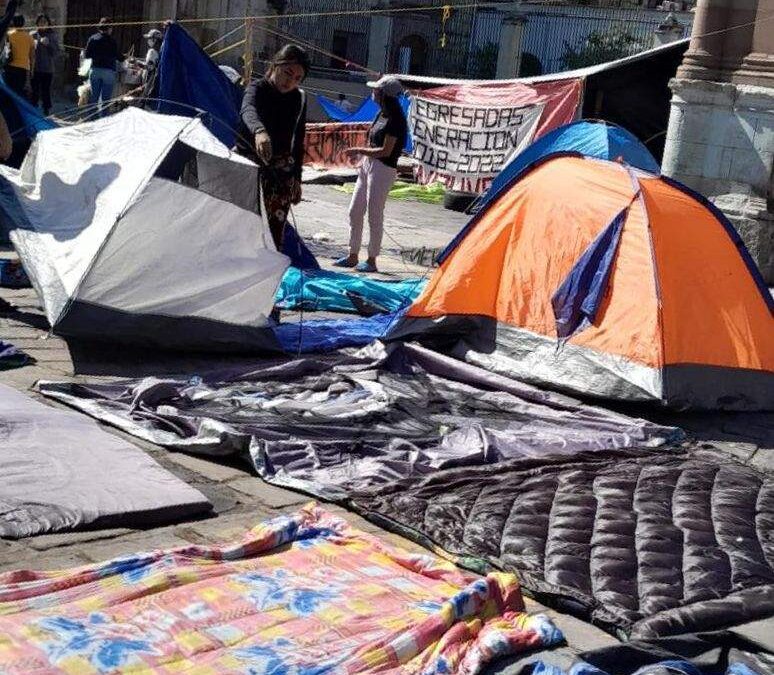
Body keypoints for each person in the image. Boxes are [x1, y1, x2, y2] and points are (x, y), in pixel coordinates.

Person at [238, 44, 309, 250]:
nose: (290, 82)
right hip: (251, 170)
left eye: (297, 79)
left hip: (280, 176)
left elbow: (298, 139)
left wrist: (297, 177)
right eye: (287, 73)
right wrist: (259, 132)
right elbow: (247, 110)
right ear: (275, 65)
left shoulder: (299, 99)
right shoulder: (257, 89)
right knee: (246, 228)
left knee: (273, 234)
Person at [334, 76, 407, 273]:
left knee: (375, 215)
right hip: (368, 165)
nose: (373, 93)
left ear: (385, 95)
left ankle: (372, 259)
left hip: (383, 169)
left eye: (377, 90)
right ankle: (352, 254)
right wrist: (363, 156)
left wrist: (359, 150)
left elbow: (385, 151)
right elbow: (373, 143)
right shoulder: (380, 114)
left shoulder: (396, 120)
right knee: (355, 210)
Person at [84, 18, 121, 117]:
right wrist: (125, 57)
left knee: (93, 98)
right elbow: (119, 57)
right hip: (108, 72)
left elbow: (87, 55)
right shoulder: (112, 41)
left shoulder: (92, 38)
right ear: (109, 28)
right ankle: (103, 119)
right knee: (106, 100)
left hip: (95, 70)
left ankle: (91, 118)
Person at [30, 15, 59, 116]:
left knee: (45, 91)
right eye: (40, 22)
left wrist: (48, 44)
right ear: (37, 23)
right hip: (35, 68)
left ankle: (46, 111)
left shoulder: (52, 35)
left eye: (45, 22)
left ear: (48, 24)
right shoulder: (33, 35)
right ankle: (33, 110)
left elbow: (56, 52)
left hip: (47, 69)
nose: (42, 23)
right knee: (34, 90)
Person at [4, 15, 34, 97]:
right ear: (23, 23)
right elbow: (32, 57)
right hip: (23, 70)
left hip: (9, 67)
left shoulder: (9, 35)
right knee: (20, 94)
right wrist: (31, 71)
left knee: (9, 92)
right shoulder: (29, 37)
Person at [138, 28, 162, 96]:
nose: (148, 40)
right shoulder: (161, 51)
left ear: (154, 40)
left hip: (150, 82)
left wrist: (136, 63)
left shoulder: (152, 52)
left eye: (149, 38)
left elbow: (149, 67)